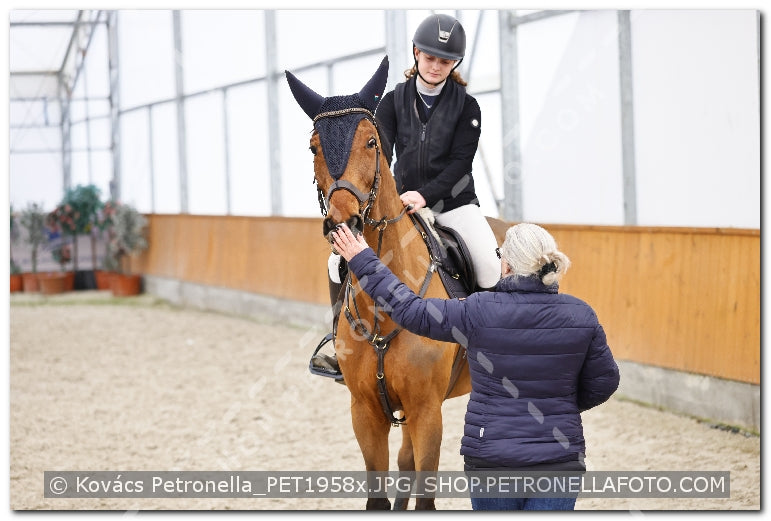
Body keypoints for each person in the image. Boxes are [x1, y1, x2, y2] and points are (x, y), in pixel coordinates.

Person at [330, 222, 620, 511]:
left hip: (492, 461)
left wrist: (364, 259)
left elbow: (411, 311)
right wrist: (560, 405)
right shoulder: (581, 314)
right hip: (559, 461)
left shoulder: (477, 309)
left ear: (506, 265)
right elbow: (606, 381)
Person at [313, 13, 500, 378]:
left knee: (491, 266)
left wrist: (425, 195)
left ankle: (491, 346)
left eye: (444, 60)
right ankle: (339, 344)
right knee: (335, 262)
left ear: (455, 63)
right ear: (416, 53)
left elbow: (461, 164)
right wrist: (383, 199)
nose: (435, 66)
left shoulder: (468, 107)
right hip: (398, 204)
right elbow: (377, 156)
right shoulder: (393, 101)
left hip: (454, 204)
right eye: (429, 57)